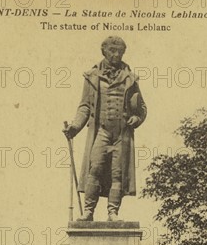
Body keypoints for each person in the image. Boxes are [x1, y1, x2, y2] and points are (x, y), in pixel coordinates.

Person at [63, 36, 147, 221]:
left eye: (120, 52)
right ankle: (89, 211)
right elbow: (85, 106)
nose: (116, 55)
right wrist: (75, 127)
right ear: (104, 51)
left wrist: (136, 118)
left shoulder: (130, 78)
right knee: (95, 169)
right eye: (112, 51)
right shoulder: (92, 77)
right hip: (101, 131)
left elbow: (141, 108)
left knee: (118, 173)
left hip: (121, 134)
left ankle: (113, 212)